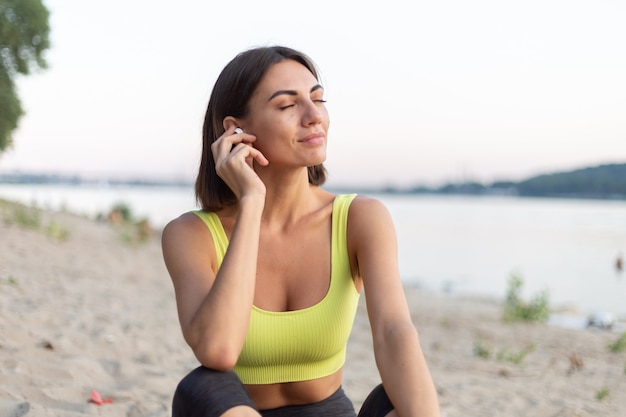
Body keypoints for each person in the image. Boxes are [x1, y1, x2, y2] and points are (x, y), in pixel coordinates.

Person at [161, 45, 441, 417]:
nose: (314, 117)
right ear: (235, 131)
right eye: (287, 105)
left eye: (318, 99)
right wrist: (251, 203)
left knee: (404, 396)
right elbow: (218, 351)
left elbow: (394, 333)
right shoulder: (190, 234)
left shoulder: (361, 218)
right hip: (234, 411)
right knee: (203, 386)